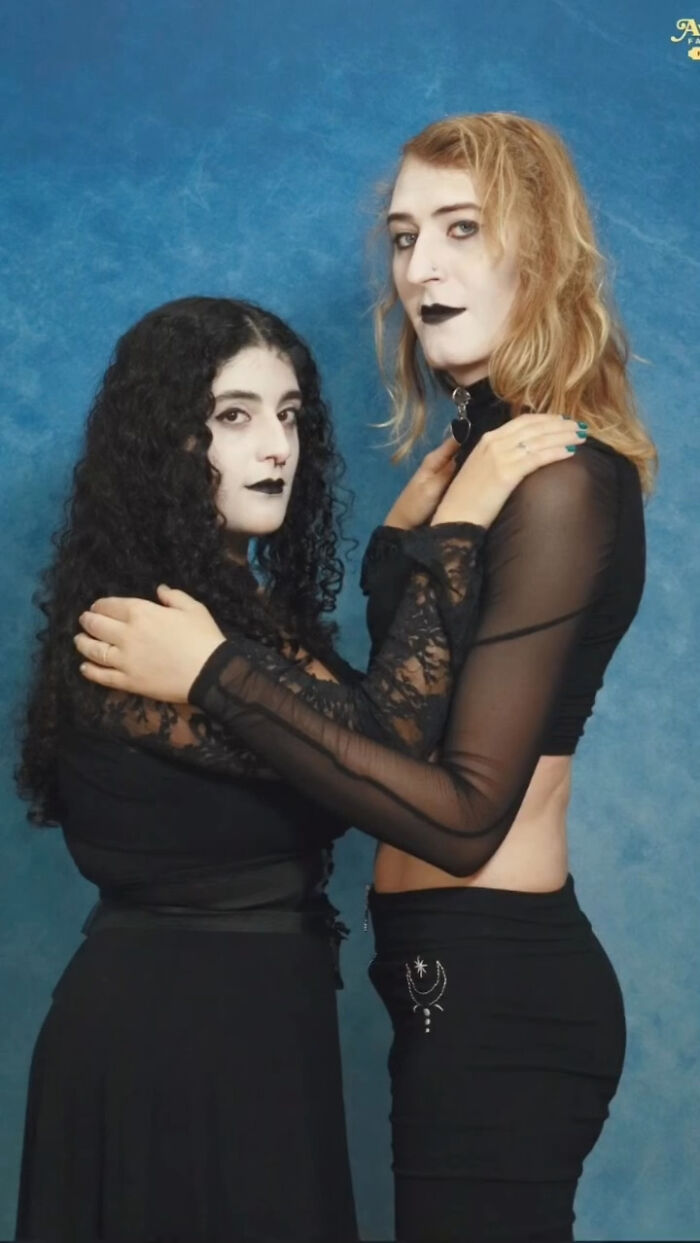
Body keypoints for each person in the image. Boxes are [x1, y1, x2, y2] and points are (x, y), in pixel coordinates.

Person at [77, 115, 657, 1242]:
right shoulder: (475, 465)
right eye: (403, 235)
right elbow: (393, 715)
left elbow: (461, 815)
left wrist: (213, 672)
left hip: (501, 981)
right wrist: (406, 550)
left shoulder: (555, 477)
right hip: (443, 972)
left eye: (460, 228)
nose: (421, 266)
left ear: (540, 248)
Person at [16, 293, 570, 1243]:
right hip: (165, 1045)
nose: (277, 446)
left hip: (268, 1025)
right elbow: (375, 746)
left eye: (290, 416)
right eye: (234, 417)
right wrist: (460, 525)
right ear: (165, 440)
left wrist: (400, 548)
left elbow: (369, 737)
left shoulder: (238, 622)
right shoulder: (133, 626)